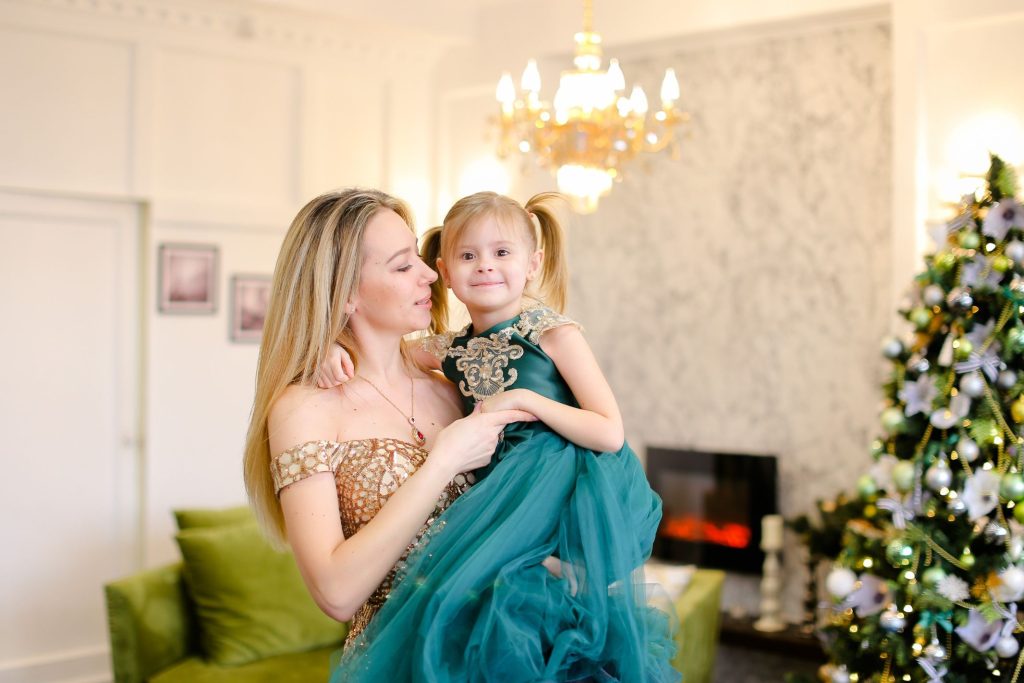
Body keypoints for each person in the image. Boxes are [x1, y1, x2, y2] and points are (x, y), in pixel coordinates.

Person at [322, 191, 678, 682]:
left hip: (561, 473)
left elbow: (610, 432)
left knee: (526, 591)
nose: (486, 266)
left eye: (502, 253)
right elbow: (380, 349)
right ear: (445, 272)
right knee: (484, 599)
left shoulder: (553, 333)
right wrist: (331, 346)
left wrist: (528, 402)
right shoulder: (448, 348)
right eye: (469, 256)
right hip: (498, 483)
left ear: (532, 265)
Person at [241, 188, 533, 648]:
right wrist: (443, 461)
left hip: (501, 644)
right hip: (398, 658)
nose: (429, 275)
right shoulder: (305, 407)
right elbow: (335, 593)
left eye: (418, 256)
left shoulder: (454, 384)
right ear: (343, 296)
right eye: (402, 265)